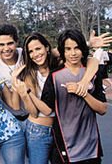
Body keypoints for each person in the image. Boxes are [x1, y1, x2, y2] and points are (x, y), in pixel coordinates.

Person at [39, 29, 107, 163]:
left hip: (91, 148)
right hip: (65, 147)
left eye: (77, 48)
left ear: (82, 49)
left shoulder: (92, 73)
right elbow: (46, 109)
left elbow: (102, 109)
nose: (73, 53)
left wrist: (83, 92)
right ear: (62, 51)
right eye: (68, 49)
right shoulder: (54, 77)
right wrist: (26, 94)